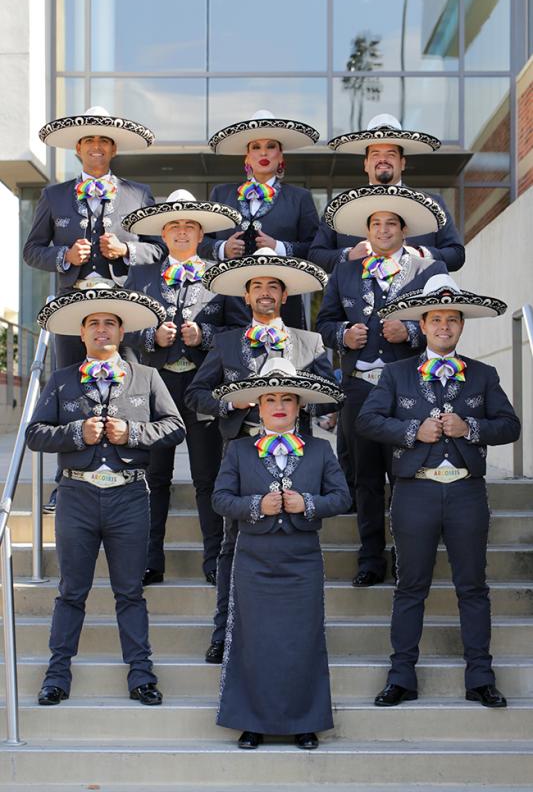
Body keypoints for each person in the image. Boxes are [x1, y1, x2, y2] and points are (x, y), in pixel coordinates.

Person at [356, 274, 520, 708]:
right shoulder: (395, 374)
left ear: (461, 326)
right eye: (436, 319)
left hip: (466, 493)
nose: (444, 326)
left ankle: (480, 677)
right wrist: (413, 430)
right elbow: (367, 422)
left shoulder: (483, 374)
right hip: (416, 493)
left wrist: (472, 428)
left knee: (473, 587)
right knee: (411, 586)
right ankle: (401, 676)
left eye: (452, 319)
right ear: (423, 325)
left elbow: (510, 425)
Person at [26, 287, 186, 706]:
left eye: (110, 323)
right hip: (76, 495)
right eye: (94, 323)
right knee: (71, 591)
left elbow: (174, 427)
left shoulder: (147, 377)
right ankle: (57, 675)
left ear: (121, 331)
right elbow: (34, 434)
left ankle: (141, 675)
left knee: (130, 591)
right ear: (82, 334)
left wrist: (131, 433)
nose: (102, 329)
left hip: (129, 496)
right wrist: (76, 433)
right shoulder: (61, 380)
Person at [185, 248, 334, 663]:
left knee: (296, 542)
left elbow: (330, 396)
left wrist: (304, 400)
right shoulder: (227, 341)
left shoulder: (309, 342)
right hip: (241, 455)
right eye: (257, 287)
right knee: (232, 548)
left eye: (273, 286)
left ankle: (298, 635)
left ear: (284, 296)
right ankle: (224, 632)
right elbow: (195, 393)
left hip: (296, 457)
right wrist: (228, 404)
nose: (265, 293)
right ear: (246, 297)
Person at [212, 358, 351, 749]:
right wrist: (257, 505)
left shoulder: (321, 451)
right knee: (252, 640)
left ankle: (305, 721)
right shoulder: (238, 451)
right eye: (270, 398)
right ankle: (251, 721)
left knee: (302, 639)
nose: (278, 405)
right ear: (258, 405)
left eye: (287, 398)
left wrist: (306, 503)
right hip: (254, 558)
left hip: (302, 559)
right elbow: (220, 499)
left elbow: (342, 497)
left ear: (299, 406)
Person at [316, 186, 449, 587]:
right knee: (366, 476)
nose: (384, 230)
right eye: (377, 224)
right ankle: (370, 558)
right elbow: (324, 323)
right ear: (367, 230)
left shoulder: (426, 270)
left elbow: (443, 327)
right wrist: (343, 336)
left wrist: (410, 331)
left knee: (406, 473)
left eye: (392, 223)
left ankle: (407, 556)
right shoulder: (345, 270)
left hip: (406, 386)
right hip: (359, 386)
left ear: (404, 230)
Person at [122, 189, 249, 585]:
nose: (181, 232)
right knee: (154, 477)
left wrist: (205, 335)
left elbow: (238, 330)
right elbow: (124, 326)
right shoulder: (141, 275)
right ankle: (149, 559)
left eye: (189, 226)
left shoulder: (219, 276)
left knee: (206, 476)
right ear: (163, 232)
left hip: (200, 387)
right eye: (174, 226)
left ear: (200, 233)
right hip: (155, 389)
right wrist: (151, 337)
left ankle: (214, 559)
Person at [24, 106, 165, 368]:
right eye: (89, 140)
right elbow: (32, 250)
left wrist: (125, 249)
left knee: (128, 380)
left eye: (104, 141)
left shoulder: (139, 193)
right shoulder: (53, 195)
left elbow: (158, 249)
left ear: (114, 149)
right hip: (71, 305)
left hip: (123, 305)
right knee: (67, 380)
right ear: (78, 148)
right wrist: (65, 255)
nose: (96, 146)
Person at [198, 109, 320, 328]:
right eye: (256, 147)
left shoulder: (300, 198)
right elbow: (200, 243)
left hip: (283, 305)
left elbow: (315, 249)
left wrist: (280, 248)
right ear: (247, 156)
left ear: (281, 155)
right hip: (229, 304)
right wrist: (222, 248)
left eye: (270, 147)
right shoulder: (221, 194)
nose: (263, 153)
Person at [309, 113, 465, 273]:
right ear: (366, 164)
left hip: (414, 293)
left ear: (402, 163)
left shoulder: (432, 204)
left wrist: (421, 253)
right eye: (376, 154)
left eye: (391, 154)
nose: (383, 160)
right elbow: (316, 255)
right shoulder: (340, 206)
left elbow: (457, 255)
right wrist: (349, 255)